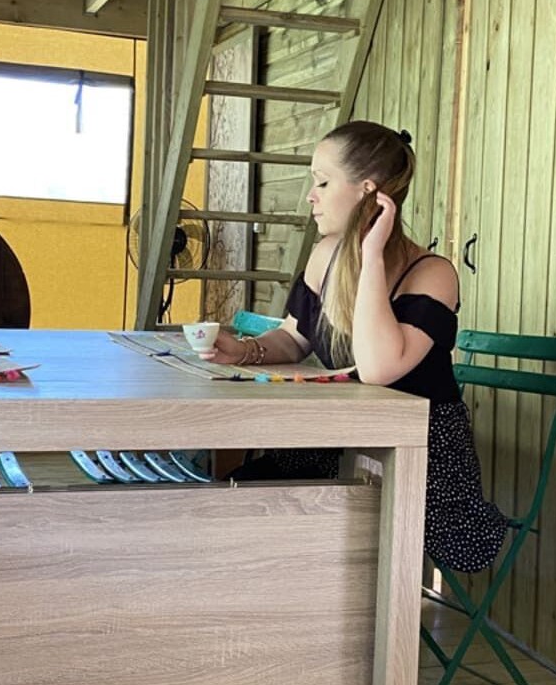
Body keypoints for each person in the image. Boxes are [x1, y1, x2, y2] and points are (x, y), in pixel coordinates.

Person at [199, 120, 507, 573]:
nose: (311, 195)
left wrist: (373, 255)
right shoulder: (324, 254)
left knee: (315, 523)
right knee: (238, 503)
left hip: (418, 458)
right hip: (336, 442)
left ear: (368, 191)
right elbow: (294, 336)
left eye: (323, 182)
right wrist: (242, 351)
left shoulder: (432, 273)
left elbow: (380, 367)